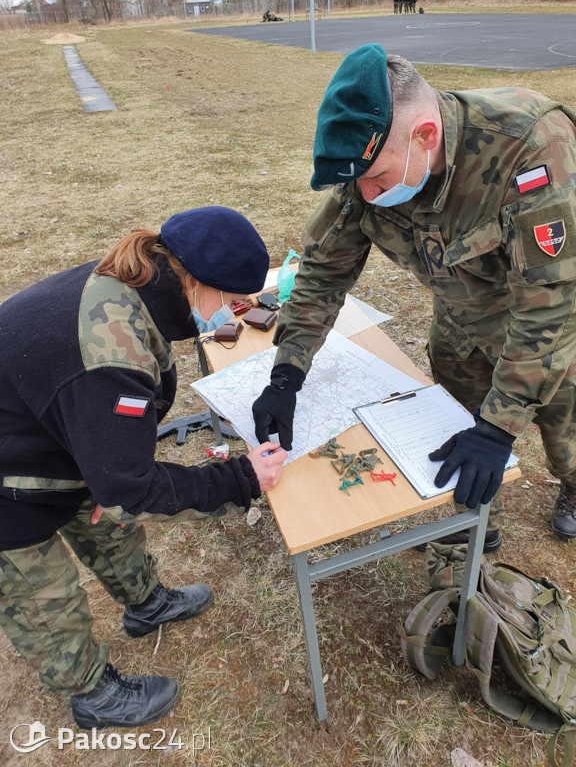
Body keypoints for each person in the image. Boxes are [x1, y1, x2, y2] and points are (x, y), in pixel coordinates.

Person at [252, 43, 576, 549]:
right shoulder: (373, 164)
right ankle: (472, 516)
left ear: (426, 135)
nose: (367, 196)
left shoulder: (531, 146)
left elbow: (551, 305)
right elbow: (322, 272)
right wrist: (287, 373)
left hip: (550, 319)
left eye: (376, 179)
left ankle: (574, 485)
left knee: (565, 426)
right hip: (460, 314)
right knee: (453, 417)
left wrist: (499, 428)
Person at [0, 206, 287, 729]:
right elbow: (130, 486)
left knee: (109, 528)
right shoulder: (111, 349)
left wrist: (103, 471)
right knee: (44, 595)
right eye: (233, 301)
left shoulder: (139, 283)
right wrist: (242, 479)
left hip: (51, 429)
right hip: (10, 473)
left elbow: (112, 461)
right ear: (195, 282)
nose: (240, 313)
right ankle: (91, 694)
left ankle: (145, 603)